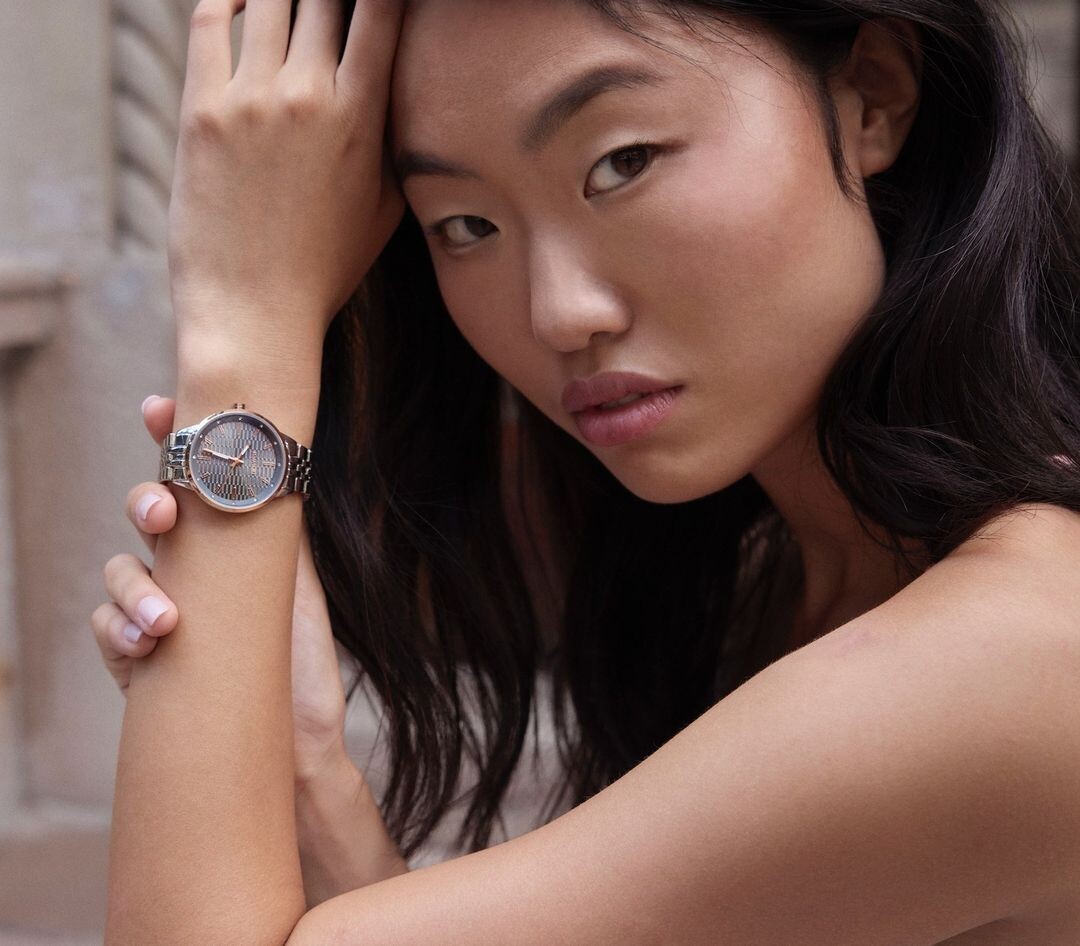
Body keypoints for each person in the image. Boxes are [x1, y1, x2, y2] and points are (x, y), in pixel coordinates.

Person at [92, 0, 1080, 941]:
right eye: (465, 224)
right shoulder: (780, 581)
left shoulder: (1003, 660)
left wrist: (243, 327)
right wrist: (307, 767)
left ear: (874, 93)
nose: (558, 313)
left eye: (622, 163)